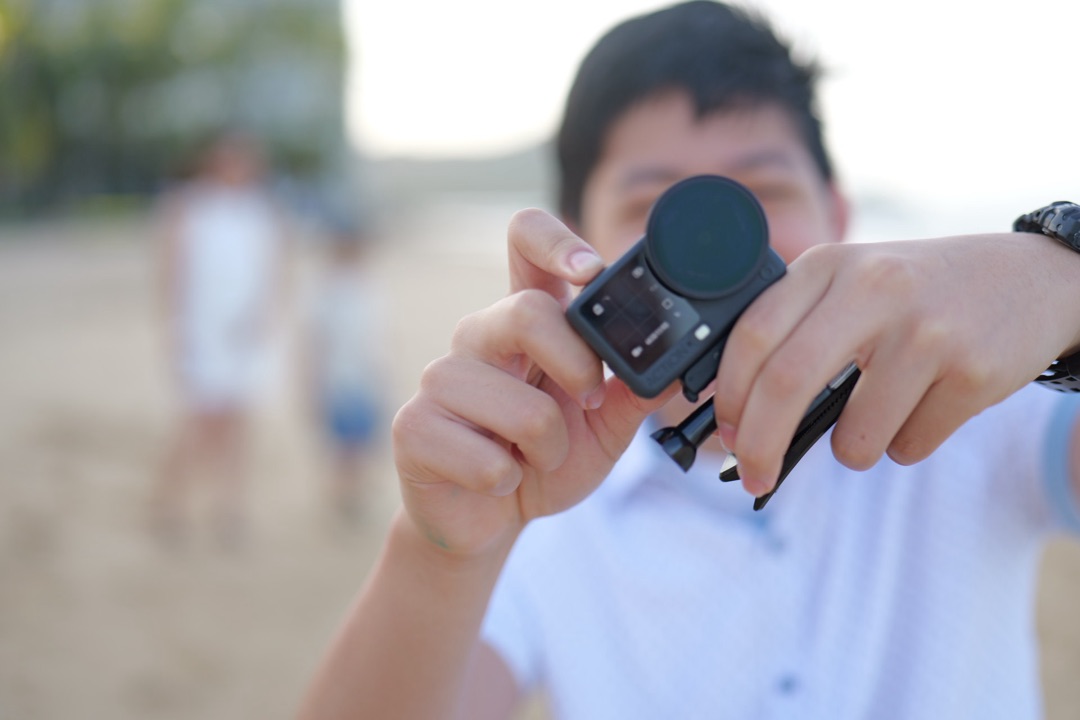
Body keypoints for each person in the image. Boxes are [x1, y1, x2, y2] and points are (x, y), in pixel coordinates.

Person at [297, 2, 1080, 718]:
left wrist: (1059, 279)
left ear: (839, 216)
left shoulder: (970, 401)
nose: (717, 255)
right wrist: (441, 554)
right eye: (655, 209)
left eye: (762, 190)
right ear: (581, 258)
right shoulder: (538, 501)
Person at [152, 130, 289, 548]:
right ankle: (168, 504)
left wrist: (265, 316)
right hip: (203, 331)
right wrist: (177, 329)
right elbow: (172, 271)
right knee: (199, 422)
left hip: (246, 334)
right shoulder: (189, 206)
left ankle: (229, 507)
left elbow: (274, 268)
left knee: (238, 425)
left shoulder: (260, 210)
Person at [304, 219, 386, 524]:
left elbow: (375, 335)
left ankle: (353, 494)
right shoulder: (327, 287)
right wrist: (314, 380)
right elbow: (316, 338)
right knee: (344, 444)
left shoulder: (367, 283)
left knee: (362, 440)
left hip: (365, 374)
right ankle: (342, 497)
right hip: (339, 377)